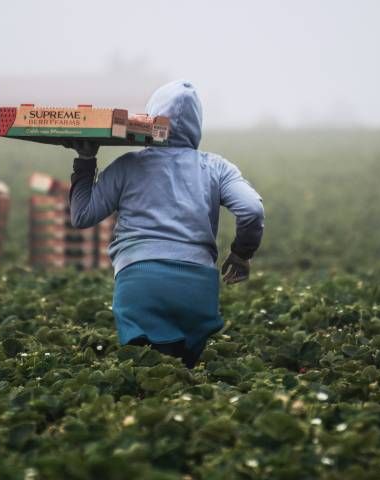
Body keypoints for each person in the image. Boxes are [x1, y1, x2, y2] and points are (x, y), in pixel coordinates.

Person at [65, 80, 265, 369]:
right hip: (197, 287)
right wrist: (241, 254)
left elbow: (82, 215)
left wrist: (85, 160)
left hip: (138, 282)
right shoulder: (217, 167)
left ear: (151, 119)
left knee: (146, 376)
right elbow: (251, 209)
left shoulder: (127, 166)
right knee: (185, 381)